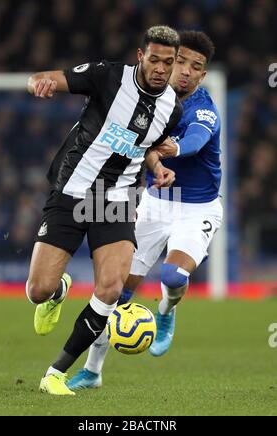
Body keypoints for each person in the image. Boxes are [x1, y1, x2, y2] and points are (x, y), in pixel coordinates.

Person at [26, 25, 183, 396]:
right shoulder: (107, 76)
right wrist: (39, 83)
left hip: (116, 199)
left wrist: (157, 166)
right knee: (37, 289)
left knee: (111, 288)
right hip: (72, 190)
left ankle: (56, 373)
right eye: (156, 59)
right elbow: (51, 77)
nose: (162, 68)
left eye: (169, 62)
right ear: (141, 56)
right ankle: (57, 292)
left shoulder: (171, 108)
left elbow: (143, 144)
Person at [68, 30, 223, 390]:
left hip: (196, 208)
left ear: (203, 75)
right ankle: (92, 371)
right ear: (168, 62)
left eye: (195, 67)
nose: (185, 71)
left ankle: (166, 312)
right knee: (115, 292)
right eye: (179, 61)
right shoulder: (146, 100)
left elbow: (197, 138)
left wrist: (174, 148)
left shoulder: (203, 108)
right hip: (154, 204)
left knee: (172, 277)